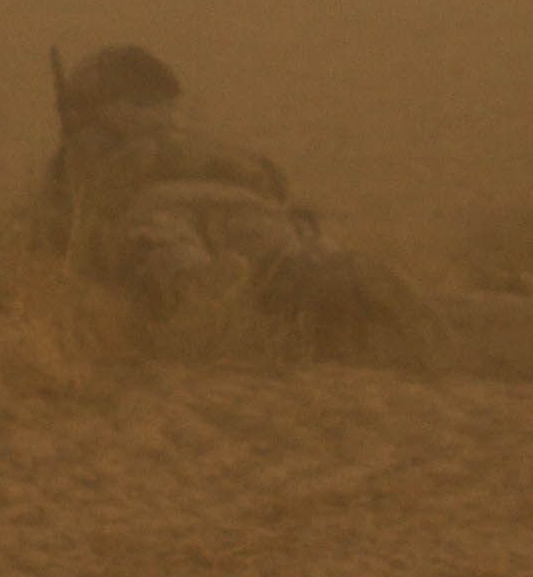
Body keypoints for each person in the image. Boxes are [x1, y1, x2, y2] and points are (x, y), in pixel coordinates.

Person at [31, 43, 412, 353]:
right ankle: (358, 283)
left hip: (158, 209)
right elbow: (272, 180)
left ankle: (202, 281)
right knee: (299, 266)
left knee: (173, 262)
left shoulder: (89, 142)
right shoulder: (193, 135)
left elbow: (61, 220)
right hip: (248, 207)